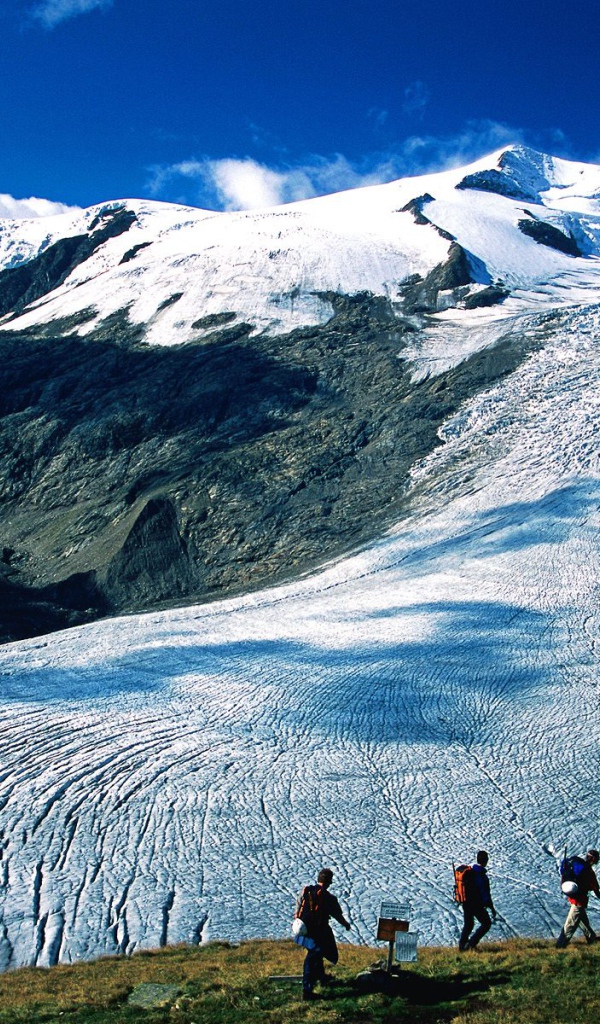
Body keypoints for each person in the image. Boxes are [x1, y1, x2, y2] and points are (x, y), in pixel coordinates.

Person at [294, 867, 350, 1001]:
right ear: (329, 882)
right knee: (313, 957)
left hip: (304, 930)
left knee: (316, 954)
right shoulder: (328, 898)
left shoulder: (306, 890)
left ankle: (321, 977)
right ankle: (307, 990)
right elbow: (337, 914)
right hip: (318, 932)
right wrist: (346, 924)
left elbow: (298, 905)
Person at [556, 848, 600, 948]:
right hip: (579, 902)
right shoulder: (589, 872)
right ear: (594, 860)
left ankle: (592, 939)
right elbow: (596, 890)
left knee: (581, 921)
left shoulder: (576, 866)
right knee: (570, 925)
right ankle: (560, 946)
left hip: (573, 898)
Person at [459, 850, 496, 951]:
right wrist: (491, 907)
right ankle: (471, 944)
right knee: (486, 923)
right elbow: (485, 893)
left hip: (466, 902)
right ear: (486, 860)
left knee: (468, 924)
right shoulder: (481, 876)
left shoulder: (470, 871)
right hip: (476, 904)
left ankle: (462, 947)